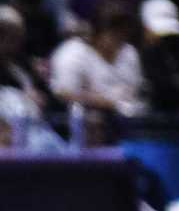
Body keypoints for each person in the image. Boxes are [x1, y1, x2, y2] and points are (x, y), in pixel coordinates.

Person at [48, 9, 147, 138]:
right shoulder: (72, 53)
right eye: (116, 34)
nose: (121, 40)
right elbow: (63, 93)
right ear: (98, 31)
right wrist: (107, 102)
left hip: (128, 121)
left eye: (125, 34)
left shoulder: (129, 52)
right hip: (84, 125)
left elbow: (135, 90)